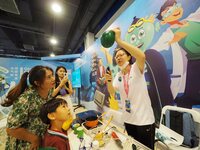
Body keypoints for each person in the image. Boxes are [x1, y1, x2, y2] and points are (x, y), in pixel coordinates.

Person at [105, 28, 155, 149]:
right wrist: (109, 81)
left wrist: (119, 41)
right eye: (116, 56)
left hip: (144, 121)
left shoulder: (136, 68)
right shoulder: (118, 75)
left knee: (146, 148)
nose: (118, 57)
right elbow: (112, 92)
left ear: (128, 56)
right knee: (134, 147)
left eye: (121, 54)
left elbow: (141, 55)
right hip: (128, 120)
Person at [5, 65, 55, 150]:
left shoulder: (49, 91)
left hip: (41, 139)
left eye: (52, 75)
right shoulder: (26, 99)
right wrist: (34, 139)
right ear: (37, 83)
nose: (53, 79)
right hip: (26, 143)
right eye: (49, 77)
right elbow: (10, 129)